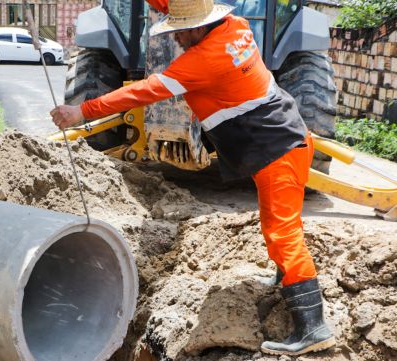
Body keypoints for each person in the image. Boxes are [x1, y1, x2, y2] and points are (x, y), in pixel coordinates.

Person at [50, 0, 336, 356]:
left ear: (202, 26)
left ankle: (313, 326)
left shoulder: (202, 61)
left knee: (283, 232)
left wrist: (82, 109)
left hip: (277, 149)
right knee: (274, 225)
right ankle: (284, 280)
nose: (178, 39)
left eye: (182, 31)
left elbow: (143, 91)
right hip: (282, 139)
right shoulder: (238, 28)